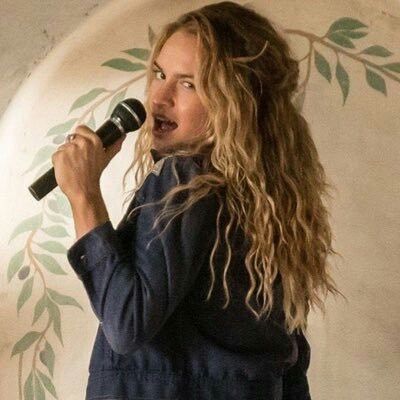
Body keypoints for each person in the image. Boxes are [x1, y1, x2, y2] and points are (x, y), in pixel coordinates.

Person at [52, 1, 339, 399]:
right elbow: (287, 357)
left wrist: (83, 195)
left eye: (188, 83)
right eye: (159, 74)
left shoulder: (186, 180)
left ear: (235, 101)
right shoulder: (268, 199)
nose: (159, 97)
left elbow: (126, 322)